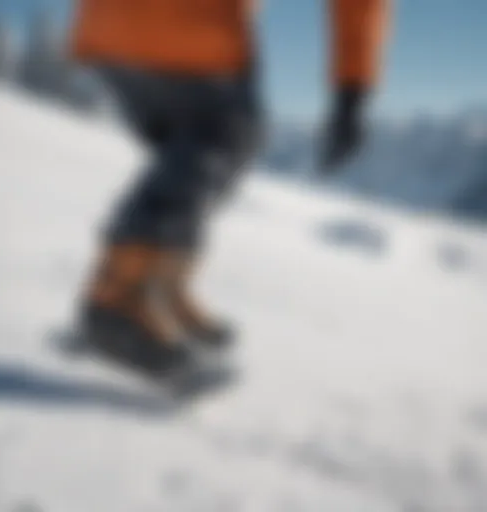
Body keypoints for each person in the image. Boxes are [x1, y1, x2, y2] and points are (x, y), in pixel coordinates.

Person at [70, 0, 391, 376]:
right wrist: (353, 89)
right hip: (187, 25)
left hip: (105, 24)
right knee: (225, 134)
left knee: (191, 156)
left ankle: (154, 287)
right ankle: (118, 301)